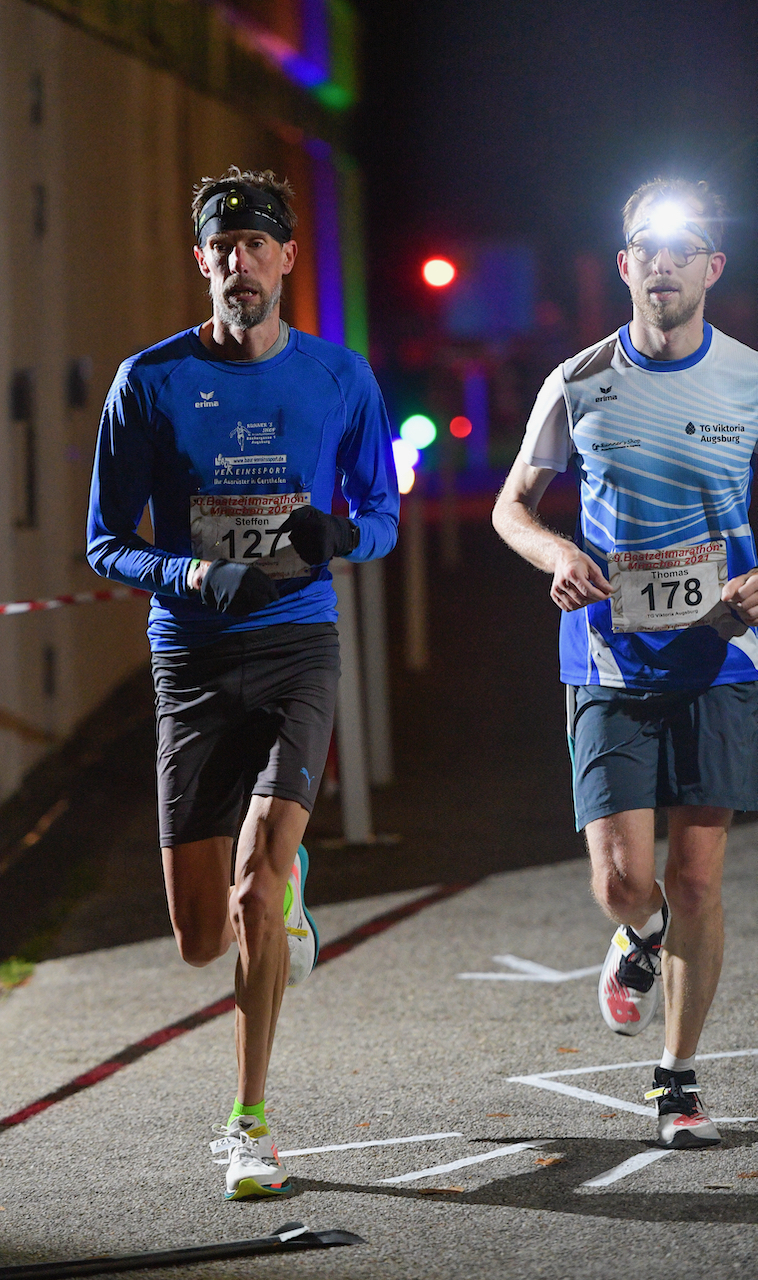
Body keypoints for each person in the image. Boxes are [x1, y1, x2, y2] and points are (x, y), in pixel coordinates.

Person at [87, 167, 398, 1196]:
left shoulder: (338, 378)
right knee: (196, 935)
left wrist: (341, 533)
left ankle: (249, 1122)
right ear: (202, 262)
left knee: (257, 889)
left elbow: (382, 514)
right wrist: (181, 568)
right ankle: (280, 889)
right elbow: (103, 541)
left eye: (257, 243)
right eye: (222, 247)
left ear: (286, 259)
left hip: (297, 645)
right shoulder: (151, 380)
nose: (239, 262)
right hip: (192, 656)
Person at [492, 177, 758, 1149]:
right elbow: (508, 505)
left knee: (694, 877)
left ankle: (676, 1078)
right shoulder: (578, 379)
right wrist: (557, 552)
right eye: (644, 245)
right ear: (623, 264)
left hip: (722, 655)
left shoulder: (745, 378)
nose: (661, 260)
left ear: (709, 267)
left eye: (680, 246)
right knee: (621, 880)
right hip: (605, 656)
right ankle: (632, 936)